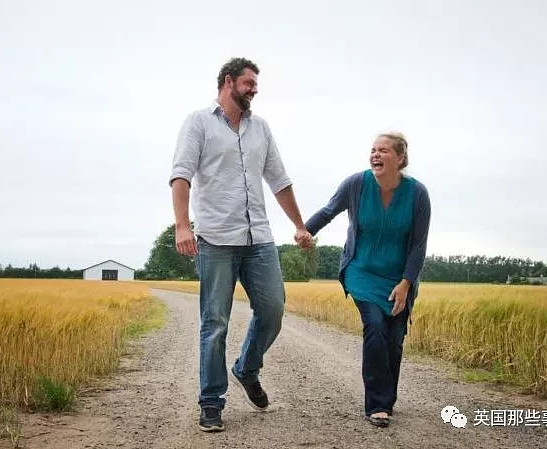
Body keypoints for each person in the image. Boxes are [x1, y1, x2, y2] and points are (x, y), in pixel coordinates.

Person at [170, 57, 313, 433]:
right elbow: (181, 175)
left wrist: (299, 225)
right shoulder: (198, 123)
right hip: (216, 239)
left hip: (259, 240)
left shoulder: (260, 128)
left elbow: (279, 180)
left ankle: (247, 369)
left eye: (255, 85)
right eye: (249, 83)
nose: (254, 90)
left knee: (273, 309)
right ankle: (211, 402)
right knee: (214, 323)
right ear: (228, 82)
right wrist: (182, 226)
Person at [301, 132, 431, 428]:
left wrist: (406, 282)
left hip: (400, 278)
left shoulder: (418, 194)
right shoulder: (357, 184)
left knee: (394, 339)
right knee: (374, 326)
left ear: (400, 158)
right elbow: (328, 210)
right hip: (361, 270)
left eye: (383, 150)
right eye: (372, 150)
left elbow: (419, 245)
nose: (375, 155)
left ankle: (388, 398)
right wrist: (305, 230)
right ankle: (377, 405)